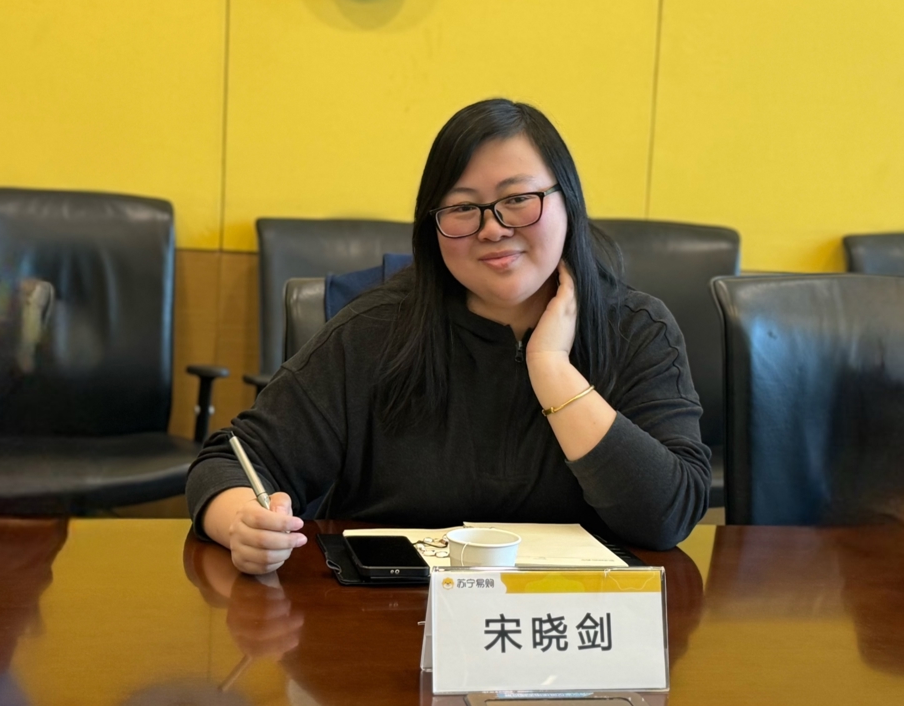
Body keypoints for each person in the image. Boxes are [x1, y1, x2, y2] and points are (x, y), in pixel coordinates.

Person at [187, 98, 711, 575]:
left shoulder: (636, 329)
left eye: (518, 198)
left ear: (567, 200)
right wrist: (242, 523)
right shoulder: (374, 331)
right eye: (462, 208)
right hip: (389, 624)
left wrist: (551, 366)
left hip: (570, 628)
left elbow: (667, 517)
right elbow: (230, 463)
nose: (492, 228)